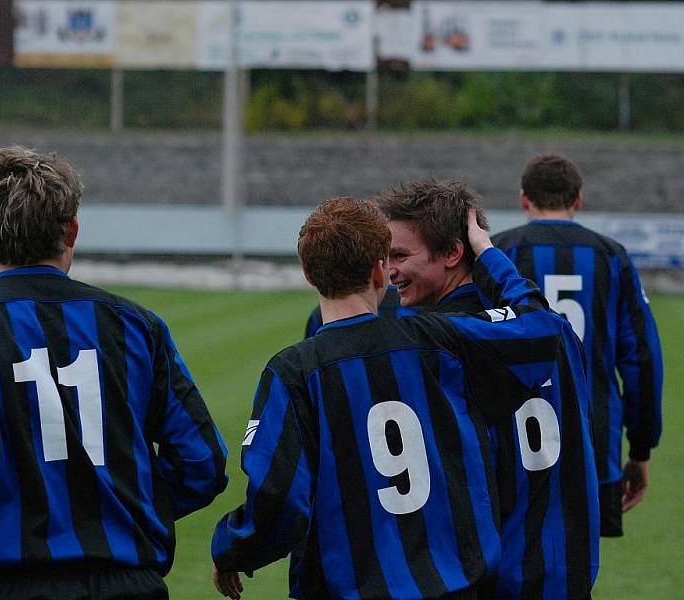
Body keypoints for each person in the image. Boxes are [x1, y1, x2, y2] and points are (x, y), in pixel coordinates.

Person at [0, 146, 228, 600]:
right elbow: (202, 461)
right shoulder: (138, 327)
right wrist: (126, 503)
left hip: (5, 582)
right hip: (127, 582)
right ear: (72, 230)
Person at [211, 196, 579, 600]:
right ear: (379, 272)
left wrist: (233, 549)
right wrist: (487, 253)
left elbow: (279, 498)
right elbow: (543, 328)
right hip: (455, 585)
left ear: (308, 274)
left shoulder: (294, 371)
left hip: (348, 587)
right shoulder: (440, 341)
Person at [378, 179, 599, 599]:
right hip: (566, 565)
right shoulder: (558, 332)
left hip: (491, 570)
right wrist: (490, 254)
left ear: (452, 253)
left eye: (400, 255)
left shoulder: (441, 344)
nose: (390, 270)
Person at [493, 155, 664, 538]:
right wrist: (640, 448)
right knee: (578, 569)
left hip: (514, 446)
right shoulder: (611, 257)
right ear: (579, 199)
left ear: (524, 199)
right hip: (594, 442)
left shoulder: (499, 255)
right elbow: (642, 359)